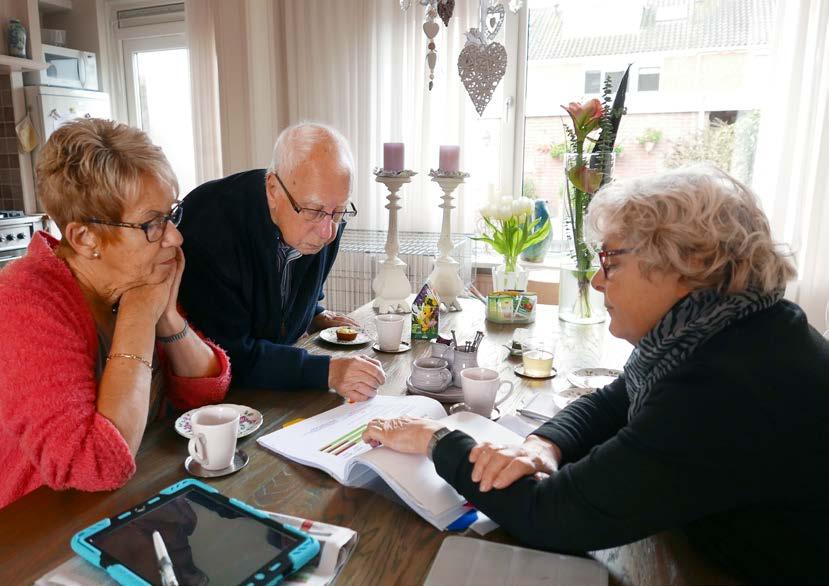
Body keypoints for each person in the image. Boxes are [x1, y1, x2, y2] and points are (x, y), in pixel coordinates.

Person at [363, 166, 829, 584]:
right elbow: (618, 397)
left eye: (612, 260)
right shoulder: (734, 331)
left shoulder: (724, 388)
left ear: (685, 265)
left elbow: (552, 517)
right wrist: (542, 445)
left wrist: (436, 439)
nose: (599, 280)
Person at [0, 119, 231, 510]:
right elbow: (93, 464)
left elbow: (203, 398)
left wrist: (168, 319)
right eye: (151, 223)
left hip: (135, 496)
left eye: (170, 214)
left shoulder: (131, 272)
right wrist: (140, 314)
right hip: (40, 533)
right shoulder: (25, 302)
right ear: (85, 238)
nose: (174, 236)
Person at [178, 123, 384, 401]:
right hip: (213, 402)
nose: (328, 232)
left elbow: (282, 292)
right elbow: (230, 355)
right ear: (273, 189)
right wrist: (327, 372)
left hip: (273, 388)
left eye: (339, 212)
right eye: (313, 211)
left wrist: (313, 312)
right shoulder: (211, 227)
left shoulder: (324, 213)